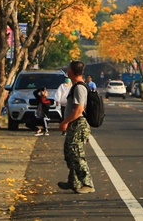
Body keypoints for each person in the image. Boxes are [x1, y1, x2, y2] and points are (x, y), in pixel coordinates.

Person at [57, 61, 95, 194]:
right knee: (69, 153)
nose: (67, 71)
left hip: (79, 124)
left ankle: (87, 183)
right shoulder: (75, 86)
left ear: (71, 71)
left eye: (68, 69)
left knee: (77, 154)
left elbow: (79, 109)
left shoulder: (79, 87)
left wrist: (66, 122)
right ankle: (74, 181)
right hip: (74, 124)